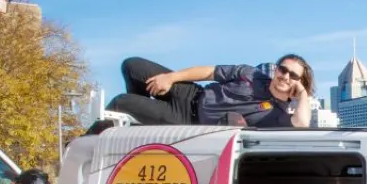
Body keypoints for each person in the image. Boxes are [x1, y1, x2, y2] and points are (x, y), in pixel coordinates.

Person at [107, 55, 314, 128]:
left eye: (293, 76)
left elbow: (302, 123)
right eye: (283, 69)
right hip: (191, 94)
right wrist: (171, 78)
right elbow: (209, 72)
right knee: (132, 66)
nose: (285, 76)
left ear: (298, 84)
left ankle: (79, 146)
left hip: (189, 121)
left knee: (121, 103)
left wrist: (303, 94)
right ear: (276, 69)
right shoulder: (252, 74)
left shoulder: (276, 116)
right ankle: (141, 129)